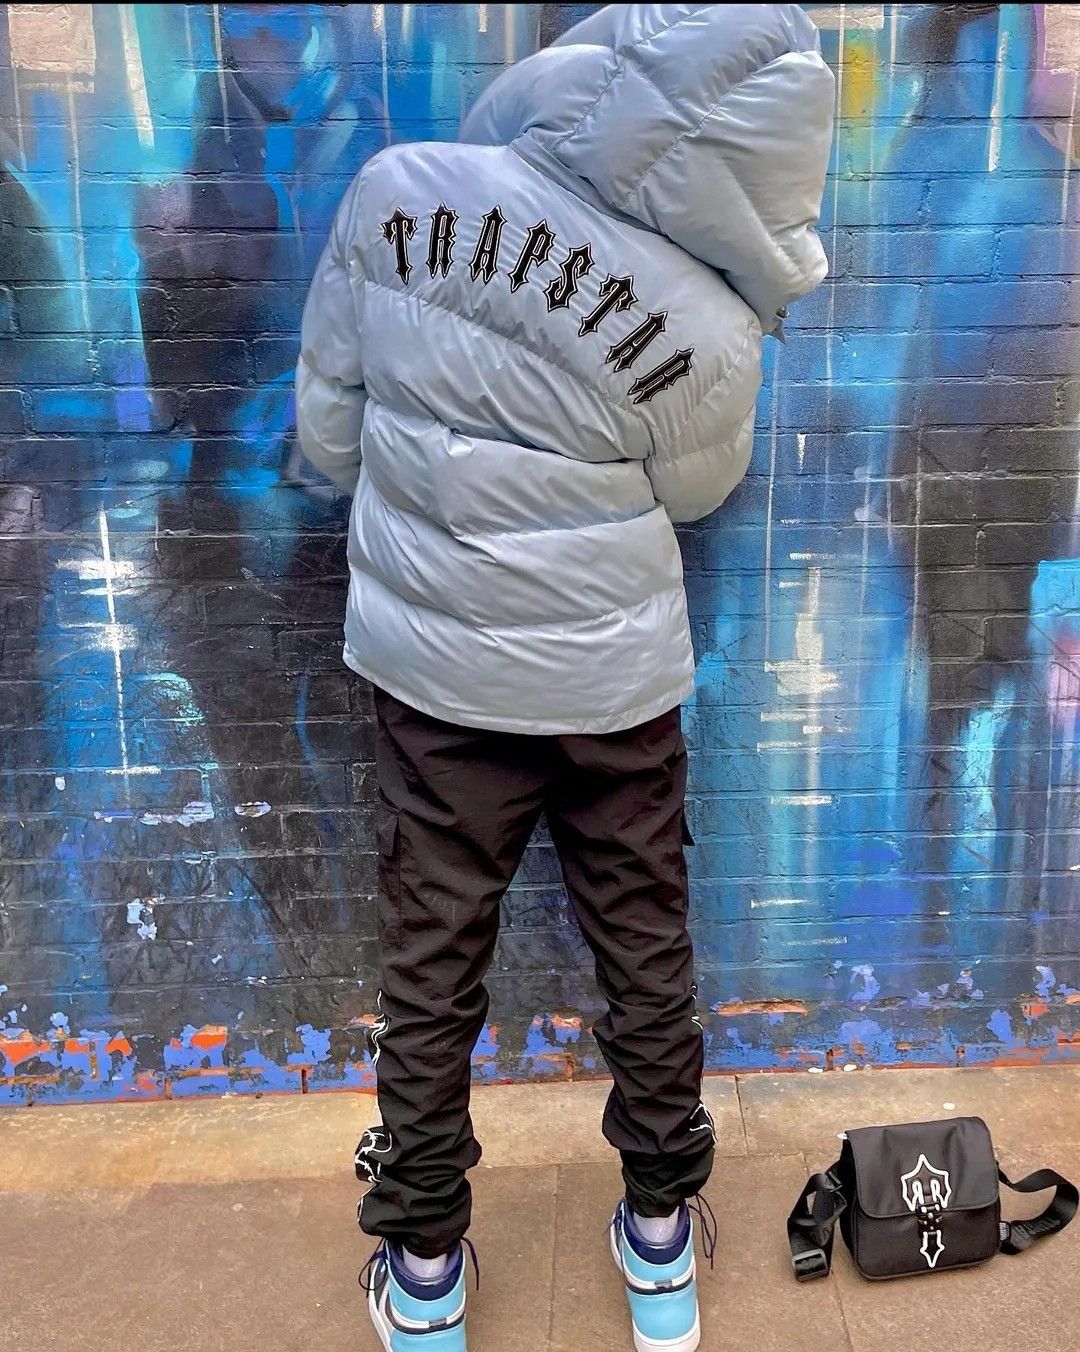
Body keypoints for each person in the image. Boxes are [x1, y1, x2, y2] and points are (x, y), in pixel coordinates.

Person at [295, 5, 833, 1348]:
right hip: (613, 686)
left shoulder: (395, 192)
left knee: (432, 963)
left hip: (433, 676)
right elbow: (694, 494)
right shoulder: (712, 330)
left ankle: (425, 1269)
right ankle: (660, 1245)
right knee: (644, 949)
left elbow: (327, 433)